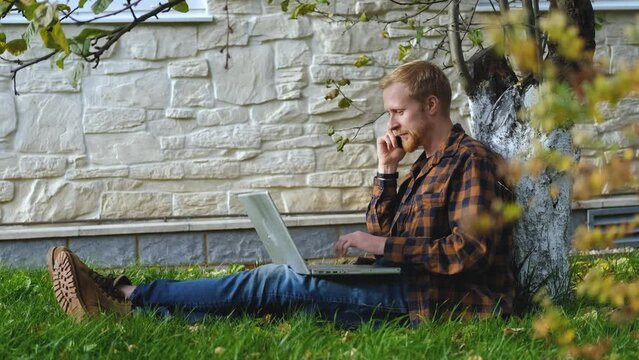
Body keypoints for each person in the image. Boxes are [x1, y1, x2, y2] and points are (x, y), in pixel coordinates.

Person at [48, 60, 515, 327]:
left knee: (280, 284)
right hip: (399, 285)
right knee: (277, 283)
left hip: (431, 303)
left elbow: (468, 252)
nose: (390, 123)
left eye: (397, 112)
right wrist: (387, 173)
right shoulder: (424, 166)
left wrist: (380, 246)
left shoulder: (467, 160)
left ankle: (128, 295)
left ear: (431, 106)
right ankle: (128, 305)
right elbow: (381, 232)